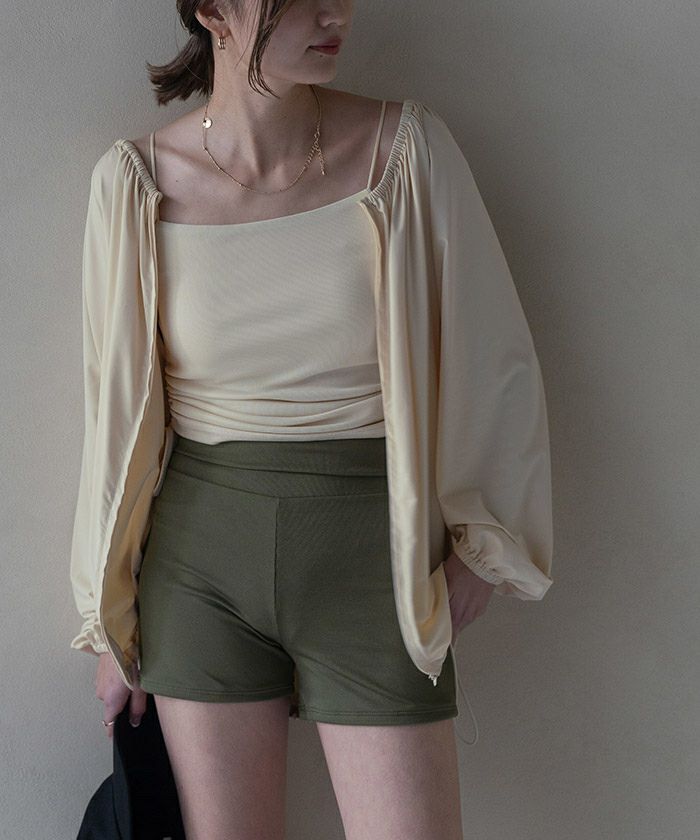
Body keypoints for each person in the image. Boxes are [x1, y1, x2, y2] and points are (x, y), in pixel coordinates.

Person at [69, 1, 555, 838]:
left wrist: (486, 549)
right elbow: (111, 412)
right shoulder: (135, 182)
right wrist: (107, 620)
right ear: (214, 10)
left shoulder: (405, 151)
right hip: (198, 575)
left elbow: (494, 357)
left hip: (375, 562)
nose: (337, 13)